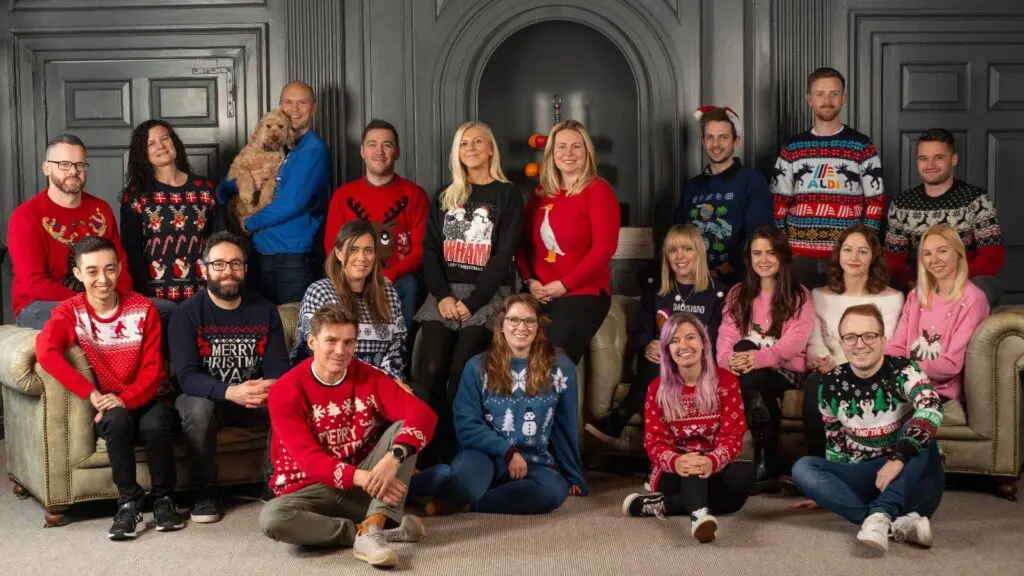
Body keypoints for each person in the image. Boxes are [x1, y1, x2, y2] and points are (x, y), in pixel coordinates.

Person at [259, 304, 437, 568]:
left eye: (348, 342)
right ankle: (367, 533)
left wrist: (392, 459)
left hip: (365, 485)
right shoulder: (285, 389)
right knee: (272, 518)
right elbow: (310, 460)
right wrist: (365, 478)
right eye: (331, 341)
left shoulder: (369, 376)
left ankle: (375, 524)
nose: (340, 351)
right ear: (311, 341)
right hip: (310, 490)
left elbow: (424, 415)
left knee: (404, 428)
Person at [35, 236, 181, 540]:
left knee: (157, 423)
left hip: (147, 397)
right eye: (92, 271)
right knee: (115, 421)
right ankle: (129, 501)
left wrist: (125, 399)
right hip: (106, 405)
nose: (103, 279)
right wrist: (91, 393)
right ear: (77, 274)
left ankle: (165, 498)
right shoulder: (70, 312)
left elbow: (153, 370)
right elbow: (46, 352)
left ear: (119, 268)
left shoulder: (142, 308)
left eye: (110, 269)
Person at [410, 294, 587, 515]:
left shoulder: (560, 367)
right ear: (501, 325)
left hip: (531, 461)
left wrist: (573, 474)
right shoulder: (477, 366)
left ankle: (469, 504)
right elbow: (467, 425)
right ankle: (407, 484)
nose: (521, 327)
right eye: (514, 320)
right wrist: (508, 451)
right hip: (483, 455)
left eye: (529, 321)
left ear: (539, 327)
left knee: (554, 490)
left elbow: (565, 424)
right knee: (461, 482)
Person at [414, 121, 524, 466]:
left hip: (487, 296)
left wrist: (472, 302)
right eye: (464, 143)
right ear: (457, 153)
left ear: (491, 149)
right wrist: (444, 296)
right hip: (445, 295)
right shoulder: (445, 195)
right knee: (430, 369)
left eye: (479, 142)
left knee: (461, 373)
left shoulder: (508, 195)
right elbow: (429, 251)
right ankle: (427, 455)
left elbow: (503, 256)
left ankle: (457, 455)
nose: (472, 148)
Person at [792, 304, 944, 553]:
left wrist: (898, 458)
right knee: (803, 468)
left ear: (884, 339)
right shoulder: (830, 384)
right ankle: (884, 522)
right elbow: (836, 443)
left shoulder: (904, 370)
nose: (859, 344)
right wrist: (830, 491)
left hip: (913, 483)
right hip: (868, 480)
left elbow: (932, 406)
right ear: (841, 342)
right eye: (850, 337)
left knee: (918, 427)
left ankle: (883, 511)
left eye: (869, 336)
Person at [169, 231, 290, 523]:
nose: (228, 271)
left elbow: (279, 371)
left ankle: (274, 482)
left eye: (236, 264)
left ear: (245, 270)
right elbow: (187, 377)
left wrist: (266, 387)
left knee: (287, 398)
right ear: (204, 269)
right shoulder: (186, 314)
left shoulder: (265, 311)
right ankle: (206, 491)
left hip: (252, 400)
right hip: (208, 400)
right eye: (219, 264)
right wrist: (230, 391)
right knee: (198, 407)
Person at [586, 224, 726, 446]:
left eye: (686, 249)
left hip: (698, 365)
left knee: (666, 358)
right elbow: (640, 334)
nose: (679, 257)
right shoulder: (657, 291)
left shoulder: (717, 293)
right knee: (659, 362)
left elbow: (719, 342)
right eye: (672, 250)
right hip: (656, 365)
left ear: (698, 252)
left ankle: (621, 415)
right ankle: (664, 455)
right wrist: (645, 347)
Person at [621, 312, 751, 544]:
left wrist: (712, 460)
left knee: (740, 484)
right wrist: (677, 461)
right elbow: (654, 442)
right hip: (672, 471)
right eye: (675, 340)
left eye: (690, 337)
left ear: (703, 342)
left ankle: (660, 505)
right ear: (667, 349)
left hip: (712, 463)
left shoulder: (727, 382)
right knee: (693, 466)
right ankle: (699, 516)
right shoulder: (656, 388)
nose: (683, 345)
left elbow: (732, 436)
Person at [515, 119, 620, 365]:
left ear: (587, 152)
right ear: (551, 153)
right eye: (561, 147)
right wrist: (529, 280)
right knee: (508, 351)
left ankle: (552, 404)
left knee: (550, 359)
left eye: (576, 146)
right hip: (537, 292)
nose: (568, 153)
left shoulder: (598, 190)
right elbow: (521, 245)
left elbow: (604, 249)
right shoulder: (540, 193)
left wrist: (564, 284)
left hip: (582, 292)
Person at [717, 225, 813, 490]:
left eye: (770, 253)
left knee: (753, 376)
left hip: (785, 369)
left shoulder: (799, 295)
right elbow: (726, 335)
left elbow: (794, 343)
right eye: (757, 253)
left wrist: (755, 359)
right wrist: (729, 361)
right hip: (746, 368)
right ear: (749, 258)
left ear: (782, 256)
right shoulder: (738, 293)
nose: (763, 260)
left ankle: (765, 459)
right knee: (751, 376)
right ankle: (765, 460)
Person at [217, 81, 331, 304]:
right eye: (288, 102)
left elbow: (291, 204)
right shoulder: (275, 147)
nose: (294, 109)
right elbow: (223, 188)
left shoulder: (313, 150)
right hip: (257, 256)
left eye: (302, 102)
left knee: (290, 331)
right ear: (280, 107)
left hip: (290, 261)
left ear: (314, 108)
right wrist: (244, 182)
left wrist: (246, 224)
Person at [771, 67, 885, 289]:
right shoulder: (793, 148)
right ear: (809, 99)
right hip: (799, 258)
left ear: (844, 98)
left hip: (846, 259)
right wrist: (784, 250)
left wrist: (863, 247)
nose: (827, 100)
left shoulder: (862, 145)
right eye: (820, 94)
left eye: (834, 94)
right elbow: (778, 202)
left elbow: (876, 201)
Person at [8, 133, 133, 329]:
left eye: (80, 165)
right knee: (89, 323)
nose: (73, 171)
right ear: (46, 168)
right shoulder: (26, 216)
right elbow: (35, 283)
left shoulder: (101, 209)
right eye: (64, 164)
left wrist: (120, 298)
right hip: (39, 305)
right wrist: (92, 302)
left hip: (103, 298)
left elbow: (120, 265)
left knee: (164, 311)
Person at [803, 224, 904, 457]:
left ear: (873, 257)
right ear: (839, 255)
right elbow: (815, 341)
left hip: (871, 371)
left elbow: (882, 345)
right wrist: (824, 363)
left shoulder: (892, 298)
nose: (854, 257)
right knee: (813, 385)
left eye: (862, 251)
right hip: (829, 369)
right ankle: (819, 461)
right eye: (848, 250)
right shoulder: (820, 296)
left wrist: (849, 369)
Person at [324, 119, 430, 332]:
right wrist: (356, 274)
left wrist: (390, 275)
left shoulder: (414, 194)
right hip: (353, 275)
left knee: (411, 285)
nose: (379, 151)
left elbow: (422, 249)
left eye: (387, 145)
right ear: (363, 151)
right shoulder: (343, 196)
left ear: (397, 151)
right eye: (372, 144)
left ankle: (402, 358)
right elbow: (331, 245)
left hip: (397, 279)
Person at [884, 128, 1004, 306]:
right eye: (923, 158)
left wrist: (951, 281)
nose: (930, 165)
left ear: (953, 159)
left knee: (982, 288)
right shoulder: (902, 204)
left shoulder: (976, 200)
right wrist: (921, 283)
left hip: (966, 281)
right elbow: (893, 260)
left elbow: (992, 257)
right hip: (920, 281)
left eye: (938, 157)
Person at [119, 120, 221, 313]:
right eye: (151, 143)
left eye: (164, 138)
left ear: (174, 142)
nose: (160, 146)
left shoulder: (205, 190)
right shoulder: (136, 195)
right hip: (156, 300)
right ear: (143, 153)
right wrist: (145, 295)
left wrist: (216, 288)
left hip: (203, 295)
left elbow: (219, 242)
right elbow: (130, 251)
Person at [885, 224, 990, 401]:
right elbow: (897, 346)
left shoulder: (973, 300)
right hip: (905, 381)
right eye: (927, 254)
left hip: (940, 391)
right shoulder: (916, 296)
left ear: (958, 253)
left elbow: (951, 365)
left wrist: (903, 369)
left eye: (942, 251)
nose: (934, 260)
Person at [292, 220, 406, 380]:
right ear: (338, 253)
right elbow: (314, 352)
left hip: (381, 385)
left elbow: (397, 348)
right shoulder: (319, 292)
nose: (362, 257)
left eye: (368, 250)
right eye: (353, 250)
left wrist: (383, 386)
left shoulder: (388, 293)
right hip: (331, 383)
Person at [672, 106, 772, 285]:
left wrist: (718, 272)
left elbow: (757, 239)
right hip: (693, 283)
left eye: (723, 137)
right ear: (703, 141)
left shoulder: (752, 181)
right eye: (710, 137)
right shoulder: (693, 186)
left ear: (736, 141)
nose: (715, 144)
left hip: (737, 286)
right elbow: (677, 236)